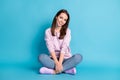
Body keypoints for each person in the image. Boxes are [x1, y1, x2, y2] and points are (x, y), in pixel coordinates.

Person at [39, 9, 82, 75]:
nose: (62, 21)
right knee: (41, 57)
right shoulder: (48, 31)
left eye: (65, 20)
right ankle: (66, 70)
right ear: (56, 17)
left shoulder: (68, 31)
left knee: (78, 57)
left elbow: (64, 48)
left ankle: (54, 71)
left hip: (65, 59)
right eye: (61, 18)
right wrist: (57, 62)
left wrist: (60, 63)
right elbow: (50, 48)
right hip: (53, 59)